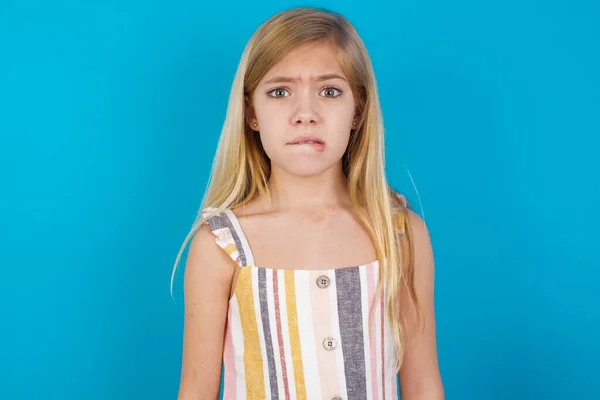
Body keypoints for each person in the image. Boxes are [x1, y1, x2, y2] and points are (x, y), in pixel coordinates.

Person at [172, 6, 444, 400]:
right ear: (251, 113)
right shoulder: (221, 246)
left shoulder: (399, 233)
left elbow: (423, 384)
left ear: (358, 111)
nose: (305, 114)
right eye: (279, 91)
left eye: (329, 91)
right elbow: (196, 391)